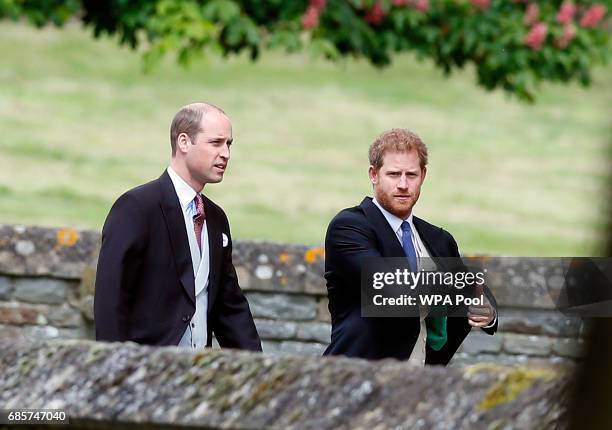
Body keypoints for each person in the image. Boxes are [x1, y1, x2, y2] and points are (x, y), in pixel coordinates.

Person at [94, 102, 261, 351]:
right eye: (216, 143)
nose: (225, 153)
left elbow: (230, 306)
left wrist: (257, 370)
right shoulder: (137, 207)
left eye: (229, 144)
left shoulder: (216, 219)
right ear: (184, 142)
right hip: (142, 372)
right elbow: (111, 298)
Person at [323, 128, 497, 365]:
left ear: (423, 176)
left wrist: (487, 312)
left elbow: (473, 291)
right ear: (374, 174)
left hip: (422, 381)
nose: (403, 184)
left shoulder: (439, 239)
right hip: (358, 375)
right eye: (394, 174)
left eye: (411, 175)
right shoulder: (350, 227)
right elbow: (387, 286)